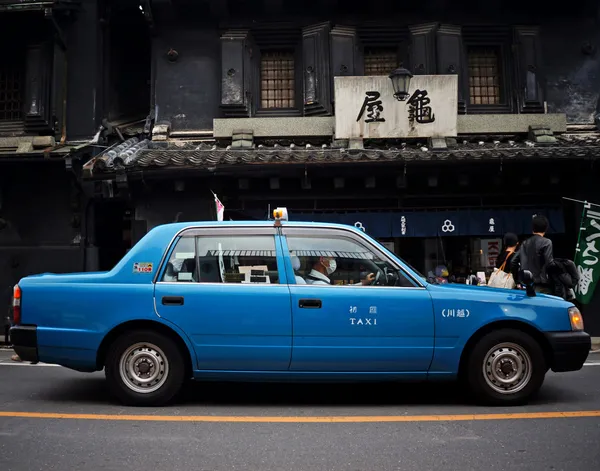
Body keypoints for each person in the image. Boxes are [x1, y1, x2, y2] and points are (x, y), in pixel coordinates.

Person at [511, 214, 554, 294]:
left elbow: (513, 261)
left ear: (532, 229)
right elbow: (549, 264)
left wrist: (518, 280)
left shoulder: (525, 243)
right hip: (541, 285)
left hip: (525, 285)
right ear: (546, 228)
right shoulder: (546, 242)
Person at [305, 256, 375, 286]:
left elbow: (338, 289)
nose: (333, 261)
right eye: (332, 258)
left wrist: (363, 283)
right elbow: (339, 292)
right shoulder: (319, 284)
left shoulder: (312, 279)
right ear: (322, 260)